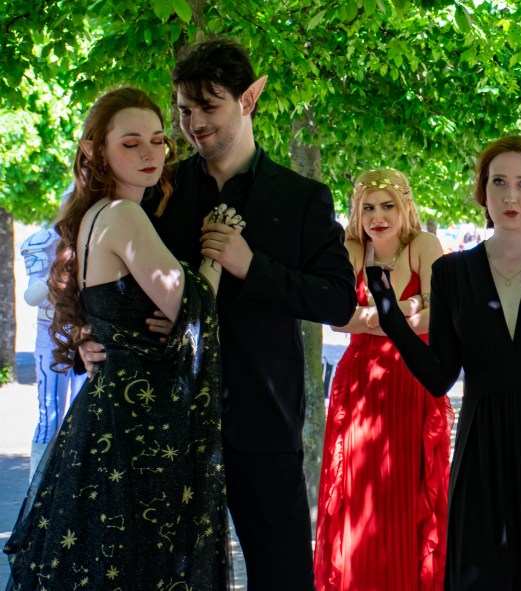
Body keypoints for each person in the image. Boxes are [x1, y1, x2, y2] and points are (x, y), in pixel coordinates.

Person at [77, 39, 358, 590]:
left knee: (283, 578)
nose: (193, 124)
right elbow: (106, 271)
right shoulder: (158, 187)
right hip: (167, 424)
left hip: (263, 422)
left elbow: (338, 301)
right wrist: (89, 335)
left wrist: (252, 267)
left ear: (249, 99)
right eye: (184, 110)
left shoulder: (303, 197)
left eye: (208, 106)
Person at [364, 135, 521, 590]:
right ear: (482, 191)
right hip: (484, 447)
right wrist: (389, 314)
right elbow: (440, 377)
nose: (510, 196)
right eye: (498, 182)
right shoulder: (451, 272)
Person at [4, 87, 233, 589]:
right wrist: (216, 255)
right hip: (136, 426)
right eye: (131, 143)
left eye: (157, 140)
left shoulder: (93, 215)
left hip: (107, 415)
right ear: (95, 151)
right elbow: (190, 304)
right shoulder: (124, 215)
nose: (150, 153)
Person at [314, 168, 452, 591]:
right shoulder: (352, 250)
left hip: (412, 378)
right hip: (359, 387)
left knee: (408, 492)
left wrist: (374, 318)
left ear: (405, 206)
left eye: (388, 206)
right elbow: (337, 319)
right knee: (358, 494)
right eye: (368, 208)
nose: (378, 217)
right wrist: (404, 310)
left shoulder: (424, 245)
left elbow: (440, 316)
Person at [20, 221, 86, 480]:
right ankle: (37, 488)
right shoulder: (43, 242)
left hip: (86, 333)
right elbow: (31, 297)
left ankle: (75, 485)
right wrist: (57, 274)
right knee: (50, 415)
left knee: (81, 414)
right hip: (50, 333)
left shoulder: (97, 233)